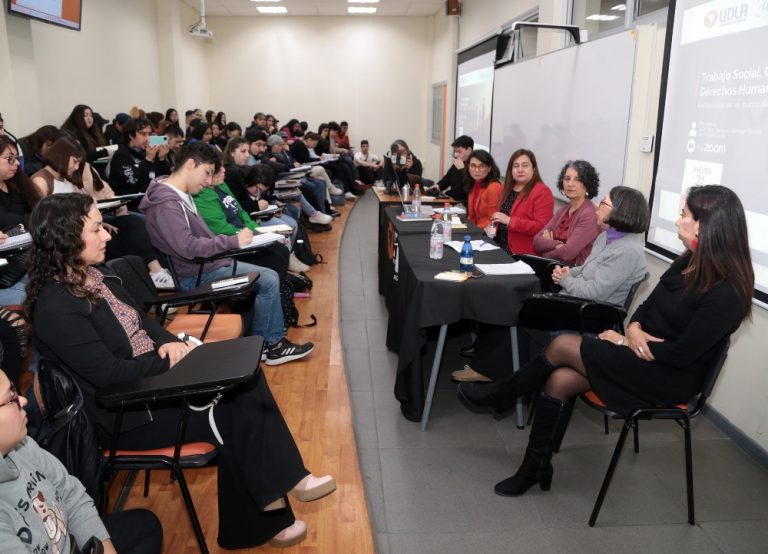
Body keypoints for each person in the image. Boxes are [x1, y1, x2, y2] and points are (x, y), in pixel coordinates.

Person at [25, 194, 336, 548]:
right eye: (97, 229)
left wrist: (177, 344)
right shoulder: (56, 305)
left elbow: (144, 324)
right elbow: (108, 374)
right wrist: (170, 359)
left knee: (246, 377)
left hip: (149, 384)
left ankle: (273, 502)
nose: (108, 235)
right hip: (125, 413)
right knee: (232, 406)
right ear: (66, 238)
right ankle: (271, 505)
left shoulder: (95, 276)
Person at [458, 185, 753, 497]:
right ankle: (535, 466)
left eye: (684, 215)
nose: (678, 220)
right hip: (642, 355)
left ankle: (502, 395)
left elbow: (681, 354)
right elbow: (646, 306)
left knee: (562, 345)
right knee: (559, 379)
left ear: (705, 226)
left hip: (667, 376)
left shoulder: (727, 293)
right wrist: (634, 329)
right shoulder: (688, 261)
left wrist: (625, 342)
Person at [139, 142, 314, 364]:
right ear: (190, 165)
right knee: (268, 279)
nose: (209, 181)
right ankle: (272, 345)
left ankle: (265, 343)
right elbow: (188, 247)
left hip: (207, 265)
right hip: (196, 274)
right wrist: (232, 241)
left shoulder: (178, 194)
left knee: (269, 269)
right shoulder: (166, 203)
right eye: (207, 172)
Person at [453, 186, 649, 383]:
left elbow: (594, 293)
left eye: (604, 203)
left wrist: (565, 279)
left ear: (620, 211)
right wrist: (568, 271)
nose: (597, 206)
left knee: (524, 311)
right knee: (514, 303)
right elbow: (585, 269)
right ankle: (488, 366)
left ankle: (492, 372)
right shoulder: (606, 237)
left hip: (591, 316)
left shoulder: (628, 252)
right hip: (576, 302)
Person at [0, 369, 164, 554]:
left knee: (146, 526)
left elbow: (72, 496)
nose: (23, 400)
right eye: (11, 398)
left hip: (69, 542)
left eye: (15, 391)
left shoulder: (24, 445)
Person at [29, 137, 174, 290]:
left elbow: (83, 208)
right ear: (61, 156)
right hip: (71, 234)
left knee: (131, 222)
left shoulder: (67, 179)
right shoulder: (41, 180)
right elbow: (45, 219)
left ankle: (155, 272)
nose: (77, 167)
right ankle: (146, 279)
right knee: (124, 236)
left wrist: (99, 224)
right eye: (75, 162)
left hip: (85, 226)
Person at [532, 160, 601, 265]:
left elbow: (568, 253)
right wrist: (557, 244)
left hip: (575, 272)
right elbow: (536, 241)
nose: (570, 184)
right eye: (567, 179)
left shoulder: (590, 214)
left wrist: (546, 251)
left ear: (587, 184)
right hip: (553, 268)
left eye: (578, 180)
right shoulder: (562, 211)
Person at [490, 149, 553, 255]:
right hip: (498, 246)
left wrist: (510, 221)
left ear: (533, 169)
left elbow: (541, 226)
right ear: (511, 170)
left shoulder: (542, 192)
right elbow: (500, 217)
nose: (520, 170)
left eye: (525, 165)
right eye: (516, 166)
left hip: (521, 253)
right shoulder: (505, 187)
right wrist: (492, 226)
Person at [108, 118, 171, 195]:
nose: (148, 139)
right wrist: (148, 160)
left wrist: (162, 159)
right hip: (131, 200)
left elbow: (164, 179)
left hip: (153, 196)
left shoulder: (148, 151)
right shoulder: (121, 156)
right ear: (131, 135)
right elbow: (135, 184)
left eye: (149, 134)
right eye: (143, 134)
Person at [465, 150, 503, 229]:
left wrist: (474, 230)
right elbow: (472, 216)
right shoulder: (473, 184)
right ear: (468, 168)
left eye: (481, 166)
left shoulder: (494, 187)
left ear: (489, 168)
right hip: (475, 229)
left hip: (486, 232)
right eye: (473, 165)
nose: (476, 170)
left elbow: (493, 219)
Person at [435, 135, 473, 201]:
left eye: (459, 151)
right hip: (450, 199)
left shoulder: (475, 167)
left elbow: (469, 189)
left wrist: (462, 170)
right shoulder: (457, 164)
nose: (457, 155)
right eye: (455, 152)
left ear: (469, 150)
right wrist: (436, 187)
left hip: (461, 202)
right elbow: (445, 182)